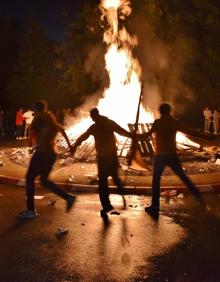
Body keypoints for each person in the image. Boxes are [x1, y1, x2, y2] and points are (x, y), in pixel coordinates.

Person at [137, 103, 215, 215]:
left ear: (160, 111)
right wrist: (206, 136)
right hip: (171, 155)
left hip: (160, 156)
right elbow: (191, 132)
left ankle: (155, 205)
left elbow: (146, 135)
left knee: (156, 180)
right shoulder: (174, 122)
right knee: (183, 177)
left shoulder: (158, 123)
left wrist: (133, 136)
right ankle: (199, 197)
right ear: (169, 111)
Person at [18, 100, 75, 219]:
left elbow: (34, 134)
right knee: (44, 180)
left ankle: (30, 210)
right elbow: (62, 130)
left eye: (33, 108)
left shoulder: (38, 118)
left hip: (42, 154)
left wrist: (34, 147)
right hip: (51, 154)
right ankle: (68, 197)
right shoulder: (51, 118)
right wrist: (70, 146)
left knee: (29, 179)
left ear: (36, 108)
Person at [72, 108, 133, 218]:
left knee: (103, 183)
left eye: (92, 117)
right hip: (111, 156)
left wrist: (75, 145)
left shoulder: (95, 127)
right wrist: (134, 136)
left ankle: (107, 205)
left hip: (103, 158)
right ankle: (122, 196)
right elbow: (122, 132)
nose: (92, 119)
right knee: (115, 178)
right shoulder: (108, 123)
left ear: (94, 116)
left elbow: (83, 137)